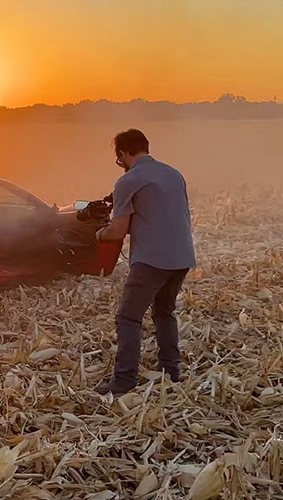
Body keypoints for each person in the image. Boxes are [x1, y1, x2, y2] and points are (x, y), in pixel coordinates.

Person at [94, 129, 196, 395]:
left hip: (152, 259)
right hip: (182, 256)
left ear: (123, 154)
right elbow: (163, 215)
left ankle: (124, 380)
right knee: (164, 311)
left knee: (128, 317)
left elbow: (116, 231)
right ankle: (170, 371)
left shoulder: (130, 180)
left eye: (119, 159)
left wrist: (100, 234)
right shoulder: (174, 174)